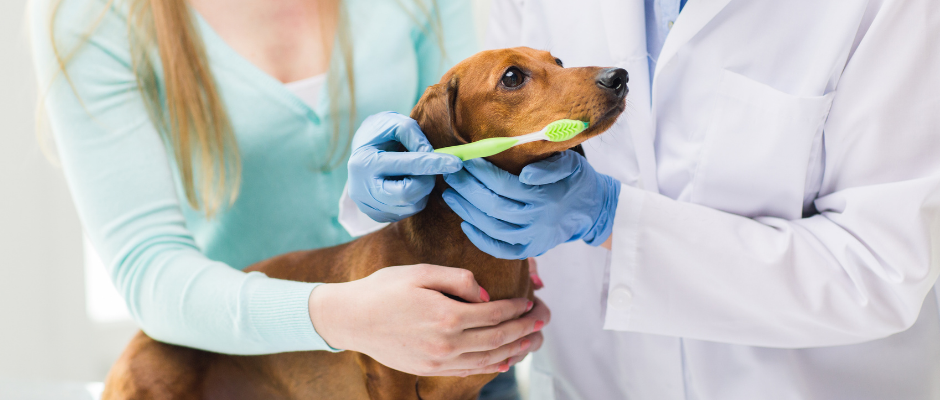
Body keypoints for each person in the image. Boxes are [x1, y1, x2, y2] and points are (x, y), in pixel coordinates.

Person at [344, 0, 940, 398]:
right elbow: (491, 134)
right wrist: (400, 188)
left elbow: (880, 269)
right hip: (588, 383)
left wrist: (612, 218)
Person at [29, 0, 545, 395]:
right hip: (236, 374)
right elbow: (149, 269)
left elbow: (480, 143)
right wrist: (343, 317)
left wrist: (522, 220)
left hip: (452, 359)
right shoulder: (92, 17)